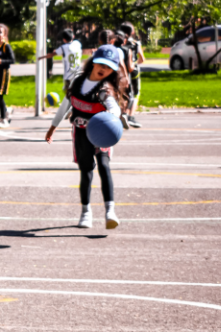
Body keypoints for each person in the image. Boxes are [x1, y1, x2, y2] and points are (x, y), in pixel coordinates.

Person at [44, 45, 127, 230]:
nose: (103, 69)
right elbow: (65, 105)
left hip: (101, 133)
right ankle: (86, 212)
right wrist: (53, 127)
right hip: (81, 133)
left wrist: (113, 117)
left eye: (109, 67)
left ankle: (110, 212)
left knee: (104, 167)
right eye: (101, 64)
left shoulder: (104, 89)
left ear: (113, 70)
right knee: (86, 171)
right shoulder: (77, 81)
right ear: (94, 62)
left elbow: (114, 107)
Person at [119, 22, 145, 128]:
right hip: (133, 70)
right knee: (135, 94)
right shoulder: (135, 43)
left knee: (124, 93)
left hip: (122, 69)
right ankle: (131, 116)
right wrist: (135, 63)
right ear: (132, 32)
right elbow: (142, 59)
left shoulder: (120, 43)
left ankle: (122, 113)